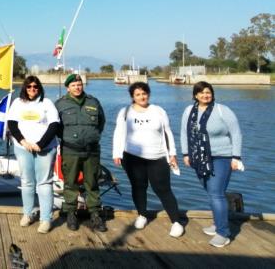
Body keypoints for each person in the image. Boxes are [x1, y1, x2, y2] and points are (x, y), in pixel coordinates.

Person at [112, 82, 184, 238]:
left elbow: (168, 133)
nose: (142, 97)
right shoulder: (125, 112)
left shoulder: (158, 111)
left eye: (144, 93)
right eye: (138, 94)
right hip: (132, 157)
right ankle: (142, 215)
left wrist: (172, 154)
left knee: (163, 190)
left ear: (148, 94)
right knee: (138, 187)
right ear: (133, 97)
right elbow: (119, 133)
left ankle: (176, 222)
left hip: (157, 157)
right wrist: (116, 153)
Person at [181, 81, 242, 248]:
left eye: (208, 92)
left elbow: (236, 133)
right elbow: (184, 133)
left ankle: (223, 232)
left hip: (221, 157)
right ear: (195, 95)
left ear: (212, 94)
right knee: (211, 192)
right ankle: (217, 223)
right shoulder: (189, 111)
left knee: (216, 193)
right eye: (201, 93)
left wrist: (236, 157)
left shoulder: (223, 110)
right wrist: (186, 153)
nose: (205, 95)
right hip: (198, 158)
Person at [7, 76, 60, 234]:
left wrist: (40, 145)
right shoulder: (17, 103)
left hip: (45, 148)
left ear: (39, 88)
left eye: (35, 87)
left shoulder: (47, 103)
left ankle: (46, 219)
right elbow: (12, 124)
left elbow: (54, 125)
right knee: (27, 182)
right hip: (23, 148)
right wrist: (23, 142)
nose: (32, 89)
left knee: (44, 183)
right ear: (24, 88)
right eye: (29, 87)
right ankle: (28, 214)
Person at [55, 73, 107, 232]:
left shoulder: (93, 102)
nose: (77, 87)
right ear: (67, 88)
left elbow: (101, 122)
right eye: (73, 85)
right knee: (70, 183)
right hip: (70, 150)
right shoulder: (60, 104)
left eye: (79, 85)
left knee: (92, 183)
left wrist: (90, 137)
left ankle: (95, 215)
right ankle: (71, 213)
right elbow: (56, 127)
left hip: (91, 151)